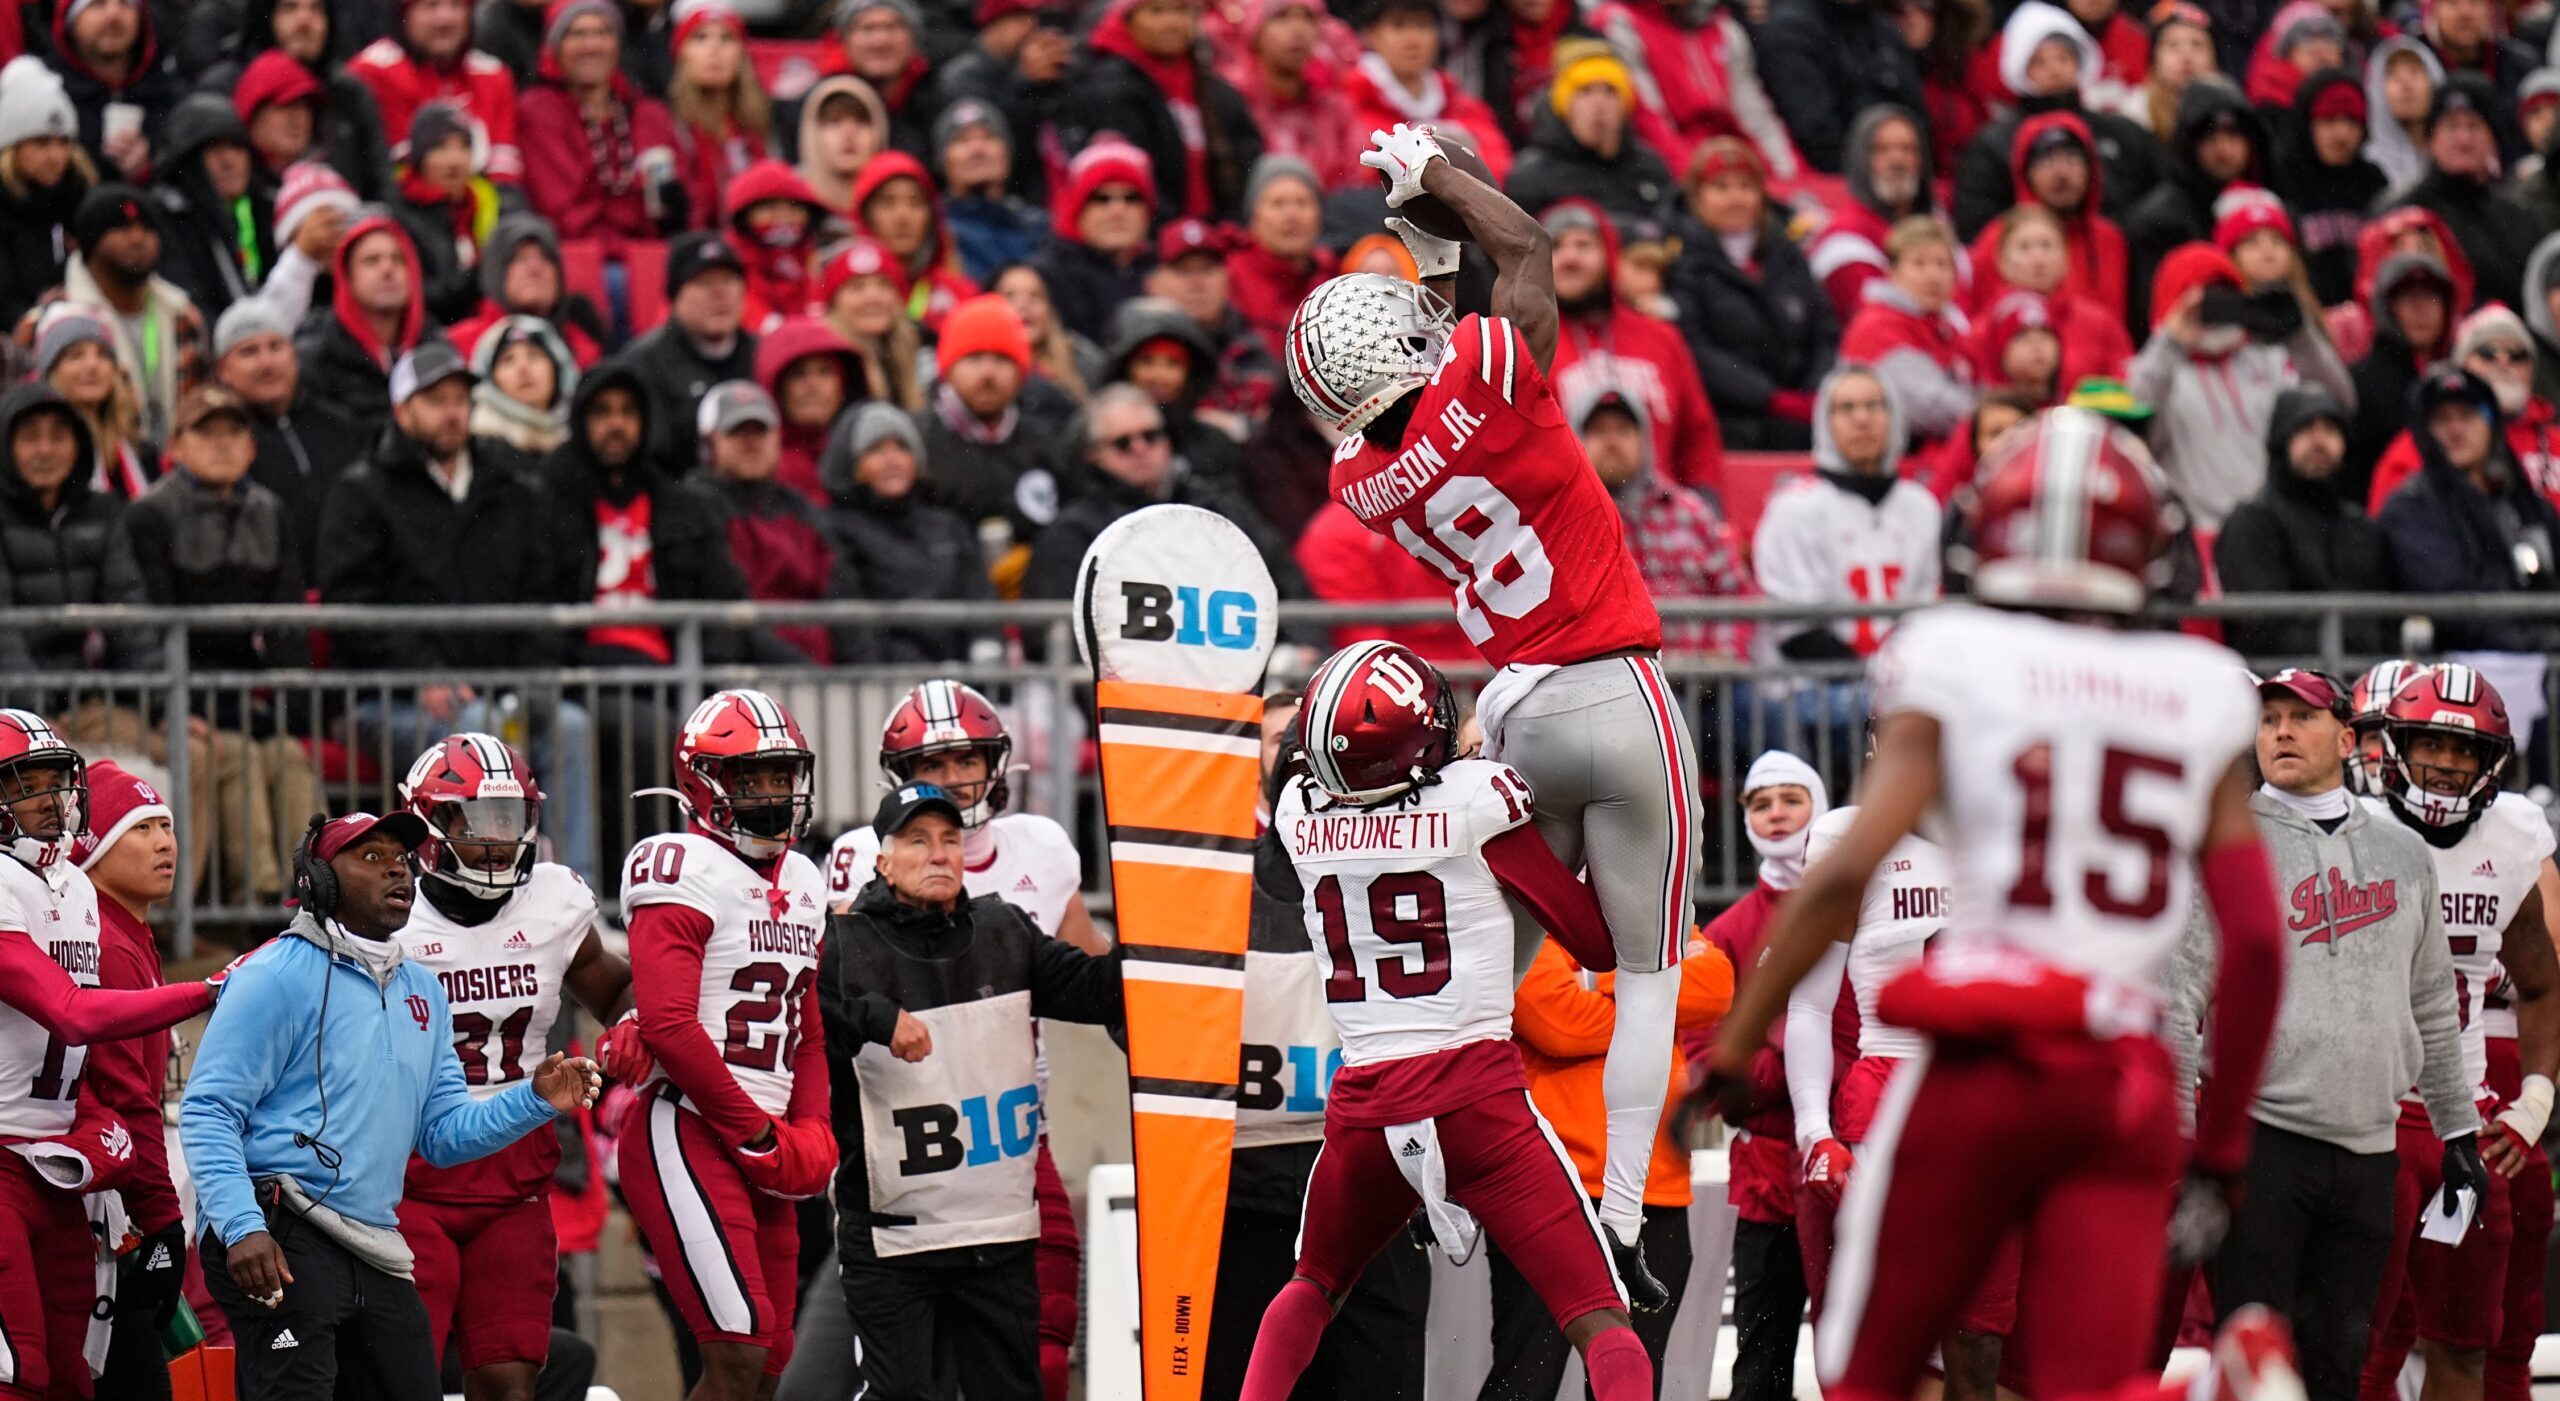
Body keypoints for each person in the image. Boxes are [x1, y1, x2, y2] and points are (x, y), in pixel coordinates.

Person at [1700, 406, 2300, 1401]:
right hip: (2124, 1068)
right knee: (2080, 1382)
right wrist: (2223, 1146)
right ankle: (2207, 1390)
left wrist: (1734, 1049)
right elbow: (2256, 947)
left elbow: (1846, 872)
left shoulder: (1950, 653)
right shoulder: (2199, 687)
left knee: (1866, 1368)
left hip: (1983, 1062)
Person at [1288, 124, 1701, 1302]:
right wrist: (1442, 183)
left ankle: (1425, 1177)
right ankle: (1619, 1221)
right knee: (1646, 975)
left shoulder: (1354, 479)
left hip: (1511, 711)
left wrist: (1424, 248)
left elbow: (1440, 355)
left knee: (1473, 994)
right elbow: (1531, 251)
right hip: (1614, 684)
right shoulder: (1487, 372)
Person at [1242, 641, 1655, 1400]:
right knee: (1604, 1321)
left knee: (1312, 1285)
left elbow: (1327, 774)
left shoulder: (1300, 814)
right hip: (1475, 1101)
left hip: (1366, 1106)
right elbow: (1596, 940)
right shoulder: (1472, 800)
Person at [182, 806, 599, 1400]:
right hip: (281, 1231)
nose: (397, 874)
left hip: (373, 1240)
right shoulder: (272, 975)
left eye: (402, 860)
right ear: (318, 881)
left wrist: (534, 1101)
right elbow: (209, 1110)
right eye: (371, 858)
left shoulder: (423, 989)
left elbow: (443, 1134)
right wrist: (241, 1227)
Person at [2158, 671, 2480, 1401]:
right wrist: (2179, 1137)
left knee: (2341, 1367)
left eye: (2299, 717)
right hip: (2260, 1143)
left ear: (2344, 736)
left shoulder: (2404, 851)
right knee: (2252, 1361)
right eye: (2267, 718)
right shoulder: (2230, 842)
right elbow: (2175, 1002)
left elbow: (2432, 997)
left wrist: (2459, 1126)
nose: (2279, 731)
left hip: (2371, 1146)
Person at [814, 778, 1121, 1400]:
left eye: (950, 840)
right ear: (883, 860)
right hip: (896, 1241)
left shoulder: (1005, 928)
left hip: (1000, 1236)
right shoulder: (843, 945)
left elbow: (1095, 990)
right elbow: (803, 1023)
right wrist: (874, 1019)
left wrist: (1161, 926)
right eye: (918, 840)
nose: (937, 853)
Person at [394, 733, 636, 1401]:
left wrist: (633, 1031)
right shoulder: (385, 912)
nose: (497, 841)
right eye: (476, 821)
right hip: (407, 1174)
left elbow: (615, 989)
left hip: (513, 1173)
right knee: (402, 1376)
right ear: (429, 824)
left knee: (511, 1379)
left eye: (510, 819)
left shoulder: (553, 901)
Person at [1206, 690, 1430, 1401]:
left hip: (1372, 1178)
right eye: (1281, 740)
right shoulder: (1207, 881)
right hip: (1245, 1188)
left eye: (1311, 739)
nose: (1298, 753)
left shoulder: (1406, 858)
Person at [615, 689, 831, 1401]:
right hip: (689, 1123)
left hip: (761, 1138)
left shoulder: (803, 878)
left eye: (780, 775)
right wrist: (754, 1131)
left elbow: (808, 1028)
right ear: (705, 782)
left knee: (772, 1359)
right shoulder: (677, 863)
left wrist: (812, 1127)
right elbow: (671, 1024)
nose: (771, 794)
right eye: (750, 778)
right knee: (737, 1347)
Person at [1781, 741, 2013, 1401]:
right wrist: (1812, 1130)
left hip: (1997, 1099)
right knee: (1901, 1318)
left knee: (1989, 1328)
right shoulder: (1850, 837)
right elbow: (1809, 1000)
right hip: (1891, 1089)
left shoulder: (2013, 831)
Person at [320, 341, 600, 885]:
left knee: (570, 725)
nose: (452, 412)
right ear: (402, 412)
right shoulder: (362, 492)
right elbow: (348, 610)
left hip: (501, 689)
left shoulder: (512, 487)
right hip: (388, 700)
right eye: (434, 400)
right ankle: (486, 886)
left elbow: (540, 595)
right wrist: (421, 673)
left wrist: (531, 676)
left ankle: (574, 891)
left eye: (459, 399)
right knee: (481, 733)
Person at [2354, 664, 2560, 1401]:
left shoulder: (2509, 839)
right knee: (2347, 1347)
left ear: (2492, 763)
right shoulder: (2343, 827)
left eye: (2465, 750)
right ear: (2393, 745)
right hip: (2359, 1125)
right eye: (2432, 744)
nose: (2445, 762)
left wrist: (2533, 1102)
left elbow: (2541, 978)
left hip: (2461, 1133)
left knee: (2471, 1348)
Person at [0, 719, 221, 1401]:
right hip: (3, 1155)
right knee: (21, 1368)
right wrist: (210, 988)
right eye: (25, 786)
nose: (49, 800)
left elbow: (81, 1058)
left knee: (73, 1376)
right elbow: (70, 1011)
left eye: (57, 782)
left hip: (55, 1163)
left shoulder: (72, 890)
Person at [1491, 895, 1735, 1399]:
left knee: (1635, 1377)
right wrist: (1653, 988)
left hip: (1658, 1188)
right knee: (1525, 1376)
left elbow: (1716, 989)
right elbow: (1557, 1024)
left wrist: (1596, 979)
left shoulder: (1657, 905)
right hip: (1555, 1185)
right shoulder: (1526, 907)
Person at [126, 384, 318, 902]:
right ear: (176, 445)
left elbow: (285, 622)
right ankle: (257, 897)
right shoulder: (150, 515)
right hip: (178, 692)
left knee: (289, 755)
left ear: (253, 447)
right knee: (240, 756)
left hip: (241, 689)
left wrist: (293, 710)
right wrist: (176, 703)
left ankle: (316, 891)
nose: (222, 444)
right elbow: (154, 624)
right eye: (204, 432)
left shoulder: (270, 511)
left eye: (234, 432)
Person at [1685, 750, 1828, 1401]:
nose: (1775, 814)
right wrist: (1782, 1075)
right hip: (1771, 1177)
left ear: (1819, 806)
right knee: (1761, 1358)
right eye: (1761, 803)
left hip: (1855, 1165)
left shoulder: (1866, 911)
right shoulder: (1727, 932)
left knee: (1859, 1358)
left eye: (1790, 799)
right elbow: (1701, 1045)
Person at [71, 761, 194, 1398]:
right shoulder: (107, 943)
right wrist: (162, 1218)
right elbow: (126, 1095)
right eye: (140, 828)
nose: (164, 842)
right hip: (96, 1205)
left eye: (166, 826)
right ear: (91, 845)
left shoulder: (128, 932)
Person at [2128, 241, 2357, 533]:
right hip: (2200, 536)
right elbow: (2130, 429)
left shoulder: (2270, 360)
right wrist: (2170, 343)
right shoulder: (2156, 373)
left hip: (2275, 530)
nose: (2215, 309)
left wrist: (2301, 337)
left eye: (2226, 295)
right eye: (2202, 301)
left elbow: (2340, 405)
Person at [1019, 382, 1305, 603]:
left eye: (1151, 436)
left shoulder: (1218, 511)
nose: (1140, 448)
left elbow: (1285, 581)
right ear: (1094, 456)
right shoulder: (1074, 531)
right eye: (1123, 443)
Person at [1752, 368, 1942, 663]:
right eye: (1846, 408)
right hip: (1811, 687)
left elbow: (1926, 620)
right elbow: (1796, 632)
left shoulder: (1921, 506)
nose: (1862, 418)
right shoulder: (1795, 508)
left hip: (1900, 684)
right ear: (1825, 423)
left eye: (1874, 405)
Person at [1542, 200, 1723, 494]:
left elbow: (1697, 434)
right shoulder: (1526, 345)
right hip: (1568, 523)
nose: (1569, 257)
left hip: (1659, 524)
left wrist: (1706, 499)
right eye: (1556, 247)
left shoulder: (1661, 338)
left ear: (1610, 255)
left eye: (1584, 245)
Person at [1669, 137, 1837, 452]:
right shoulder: (1680, 262)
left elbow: (1825, 332)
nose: (1736, 198)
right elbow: (1694, 350)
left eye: (1745, 186)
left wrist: (1817, 392)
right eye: (1721, 188)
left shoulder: (1787, 254)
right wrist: (1768, 398)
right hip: (1730, 426)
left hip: (1803, 419)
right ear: (1697, 196)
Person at [2378, 366, 2560, 652]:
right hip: (2456, 671)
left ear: (2491, 424)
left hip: (2540, 662)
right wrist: (2538, 641)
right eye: (2441, 419)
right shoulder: (2411, 507)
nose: (2455, 430)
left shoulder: (2526, 504)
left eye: (2467, 415)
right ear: (2425, 432)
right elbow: (2449, 606)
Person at [13, 185, 209, 448]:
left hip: (172, 470)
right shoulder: (47, 322)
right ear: (91, 240)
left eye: (147, 229)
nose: (138, 239)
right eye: (122, 228)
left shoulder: (182, 314)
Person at [1951, 0, 2165, 239]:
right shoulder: (1994, 143)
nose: (2054, 69)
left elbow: (2153, 202)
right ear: (2022, 68)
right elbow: (1979, 224)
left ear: (2079, 61)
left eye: (2063, 58)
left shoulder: (2122, 131)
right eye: (2040, 62)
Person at [1575, 383, 1752, 662]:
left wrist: (1724, 657)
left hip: (1713, 681)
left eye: (1623, 430)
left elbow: (1738, 592)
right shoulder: (1567, 522)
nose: (1611, 442)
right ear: (1575, 441)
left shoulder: (1690, 511)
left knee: (1768, 705)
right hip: (1619, 686)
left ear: (1645, 440)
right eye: (1598, 431)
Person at [2216, 389, 2398, 655]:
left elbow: (2388, 618)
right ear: (2282, 439)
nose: (2319, 440)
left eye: (2331, 429)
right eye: (2305, 427)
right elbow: (2260, 627)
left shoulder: (2362, 528)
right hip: (2283, 687)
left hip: (2364, 681)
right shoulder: (2253, 521)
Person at [816, 404, 997, 663]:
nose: (892, 460)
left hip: (961, 681)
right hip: (890, 688)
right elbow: (853, 624)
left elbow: (981, 601)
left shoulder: (948, 526)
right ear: (852, 464)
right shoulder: (836, 530)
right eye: (876, 450)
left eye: (902, 447)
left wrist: (985, 655)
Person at [687, 381, 850, 665]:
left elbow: (843, 594)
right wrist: (798, 667)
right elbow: (727, 611)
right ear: (709, 442)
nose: (752, 442)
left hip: (821, 680)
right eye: (737, 431)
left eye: (760, 430)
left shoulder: (805, 511)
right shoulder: (694, 506)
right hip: (743, 681)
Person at [212, 299, 371, 580]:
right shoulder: (216, 444)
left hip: (349, 592)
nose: (266, 363)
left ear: (294, 354)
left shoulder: (341, 425)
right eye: (249, 352)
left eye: (276, 346)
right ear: (224, 370)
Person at [1063, 0, 1263, 221]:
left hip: (1215, 236)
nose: (1171, 22)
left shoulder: (1217, 91)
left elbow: (1249, 164)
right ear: (1127, 20)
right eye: (1156, 11)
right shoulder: (1110, 88)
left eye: (1180, 10)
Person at [0, 383, 150, 674]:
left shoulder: (102, 512)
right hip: (13, 701)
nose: (45, 450)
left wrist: (160, 707)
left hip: (84, 692)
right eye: (30, 438)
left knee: (131, 722)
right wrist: (37, 710)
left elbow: (129, 617)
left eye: (58, 437)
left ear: (78, 447)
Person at [2363, 304, 2560, 514]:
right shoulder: (2422, 444)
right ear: (2460, 366)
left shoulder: (2555, 442)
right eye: (2487, 353)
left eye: (2518, 355)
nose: (2503, 362)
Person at [516, 0, 686, 242]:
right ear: (554, 47)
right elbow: (562, 212)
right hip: (577, 257)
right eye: (578, 34)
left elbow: (688, 198)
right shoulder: (538, 111)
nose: (592, 45)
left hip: (649, 255)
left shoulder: (651, 115)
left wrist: (677, 213)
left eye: (603, 32)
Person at [914, 292, 1073, 544]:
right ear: (948, 369)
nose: (988, 373)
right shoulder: (916, 442)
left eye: (1001, 359)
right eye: (974, 358)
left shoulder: (1047, 442)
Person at [1589, 0, 1800, 185]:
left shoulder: (1723, 27)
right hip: (1673, 177)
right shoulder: (1618, 23)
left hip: (1735, 169)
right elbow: (1648, 119)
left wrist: (1791, 179)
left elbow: (1755, 116)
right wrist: (1703, 184)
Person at [2387, 74, 2544, 309]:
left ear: (2494, 140)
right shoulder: (2400, 215)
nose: (2463, 140)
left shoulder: (2518, 219)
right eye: (2451, 126)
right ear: (2431, 139)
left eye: (2474, 126)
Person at [2125, 80, 2270, 331]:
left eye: (2234, 136)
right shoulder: (2159, 220)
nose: (2223, 149)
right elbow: (2155, 315)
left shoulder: (2268, 205)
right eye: (2211, 139)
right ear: (2190, 147)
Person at [1505, 39, 1674, 232]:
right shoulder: (1532, 176)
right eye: (1585, 91)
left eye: (1610, 91)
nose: (1599, 103)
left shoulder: (1650, 167)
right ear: (1564, 104)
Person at [1336, 0, 1512, 184]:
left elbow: (1497, 167)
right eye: (1398, 25)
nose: (1413, 39)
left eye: (1423, 25)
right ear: (1370, 35)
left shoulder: (1457, 101)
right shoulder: (1349, 101)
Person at [348, 0, 524, 183]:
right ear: (404, 14)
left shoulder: (494, 75)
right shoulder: (374, 71)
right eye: (430, 6)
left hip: (487, 204)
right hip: (405, 206)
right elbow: (402, 174)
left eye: (456, 6)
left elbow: (504, 176)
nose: (445, 20)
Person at [626, 232, 759, 466]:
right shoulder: (643, 363)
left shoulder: (763, 354)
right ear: (674, 297)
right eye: (704, 282)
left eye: (728, 279)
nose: (720, 294)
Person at [1840, 218, 1976, 442]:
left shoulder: (1944, 325)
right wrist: (1991, 414)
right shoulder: (1877, 325)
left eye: (1943, 264)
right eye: (1919, 264)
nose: (1933, 276)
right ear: (1892, 272)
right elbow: (1929, 408)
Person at [1758, 0, 1930, 175]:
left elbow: (1915, 115)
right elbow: (1817, 133)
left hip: (1898, 174)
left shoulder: (1882, 27)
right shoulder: (1791, 29)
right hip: (1833, 178)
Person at [1804, 105, 1940, 321]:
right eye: (1881, 150)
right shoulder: (1844, 244)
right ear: (1860, 159)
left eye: (1908, 149)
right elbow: (1881, 323)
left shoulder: (1937, 225)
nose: (1897, 160)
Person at [149, 94, 275, 324]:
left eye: (237, 146)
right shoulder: (168, 219)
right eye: (214, 148)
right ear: (187, 159)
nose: (229, 161)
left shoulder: (262, 211)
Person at [294, 214, 429, 424]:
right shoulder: (317, 358)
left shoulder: (433, 345)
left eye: (399, 259)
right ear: (347, 276)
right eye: (371, 261)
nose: (387, 269)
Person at [2274, 68, 2388, 307]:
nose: (2342, 134)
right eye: (2329, 120)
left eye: (2351, 121)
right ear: (2307, 123)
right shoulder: (2281, 178)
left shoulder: (2374, 182)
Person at [2347, 252, 2459, 491]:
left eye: (2431, 297)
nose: (2422, 310)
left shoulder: (2460, 377)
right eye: (2409, 298)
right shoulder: (2362, 381)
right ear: (2387, 309)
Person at [1226, 0, 1363, 193]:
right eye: (1281, 17)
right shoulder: (1229, 99)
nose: (1298, 30)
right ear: (1255, 30)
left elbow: (1354, 182)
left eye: (1309, 18)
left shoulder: (1335, 108)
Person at [1031, 137, 1160, 343]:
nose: (1117, 211)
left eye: (1131, 198)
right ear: (1077, 210)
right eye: (1101, 198)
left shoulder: (1164, 272)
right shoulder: (1047, 278)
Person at [664, 0, 769, 230]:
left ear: (742, 53)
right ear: (682, 53)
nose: (715, 49)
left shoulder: (765, 127)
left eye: (727, 38)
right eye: (700, 38)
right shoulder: (668, 126)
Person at [1228, 156, 1336, 358]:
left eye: (1302, 203)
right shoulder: (1228, 276)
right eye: (1278, 204)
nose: (1292, 215)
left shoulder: (1335, 280)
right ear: (1253, 216)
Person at [933, 98, 1047, 288]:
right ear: (943, 160)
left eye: (989, 137)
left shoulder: (1039, 226)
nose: (978, 149)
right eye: (962, 140)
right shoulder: (934, 230)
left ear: (1006, 153)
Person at [469, 315, 580, 455]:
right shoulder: (478, 446)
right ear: (491, 379)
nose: (523, 368)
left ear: (558, 369)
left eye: (534, 355)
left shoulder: (582, 438)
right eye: (508, 360)